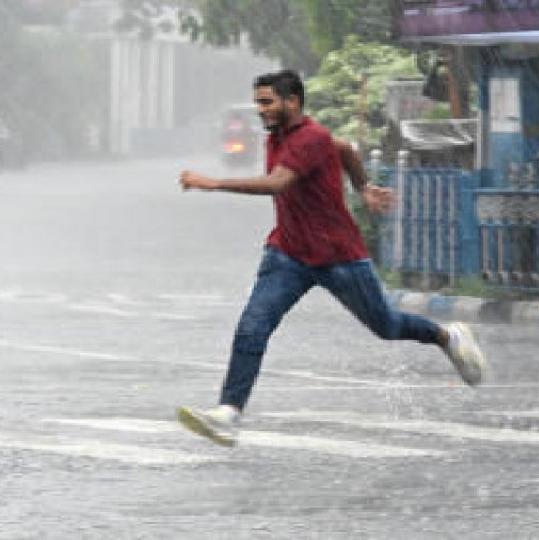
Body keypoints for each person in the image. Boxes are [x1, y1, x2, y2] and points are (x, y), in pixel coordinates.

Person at [176, 69, 486, 446]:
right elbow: (346, 150)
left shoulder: (310, 138)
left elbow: (278, 183)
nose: (261, 110)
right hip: (288, 253)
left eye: (268, 102)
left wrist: (214, 183)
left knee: (386, 325)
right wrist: (364, 186)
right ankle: (229, 412)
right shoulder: (282, 136)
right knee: (252, 327)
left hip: (337, 255)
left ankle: (446, 335)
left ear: (292, 101)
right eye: (258, 102)